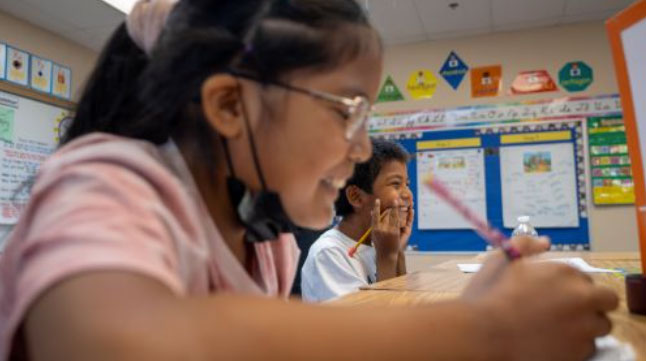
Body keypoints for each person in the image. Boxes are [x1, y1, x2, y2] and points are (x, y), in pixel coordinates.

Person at [0, 0, 618, 360]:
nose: (358, 150)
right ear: (230, 106)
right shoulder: (106, 181)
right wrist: (483, 328)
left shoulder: (266, 238)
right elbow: (114, 341)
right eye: (348, 110)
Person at [301, 138, 413, 301]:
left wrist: (398, 252)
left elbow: (404, 305)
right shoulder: (329, 253)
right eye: (396, 184)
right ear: (356, 196)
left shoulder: (380, 245)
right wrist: (387, 258)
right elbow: (377, 324)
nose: (407, 194)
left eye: (407, 184)